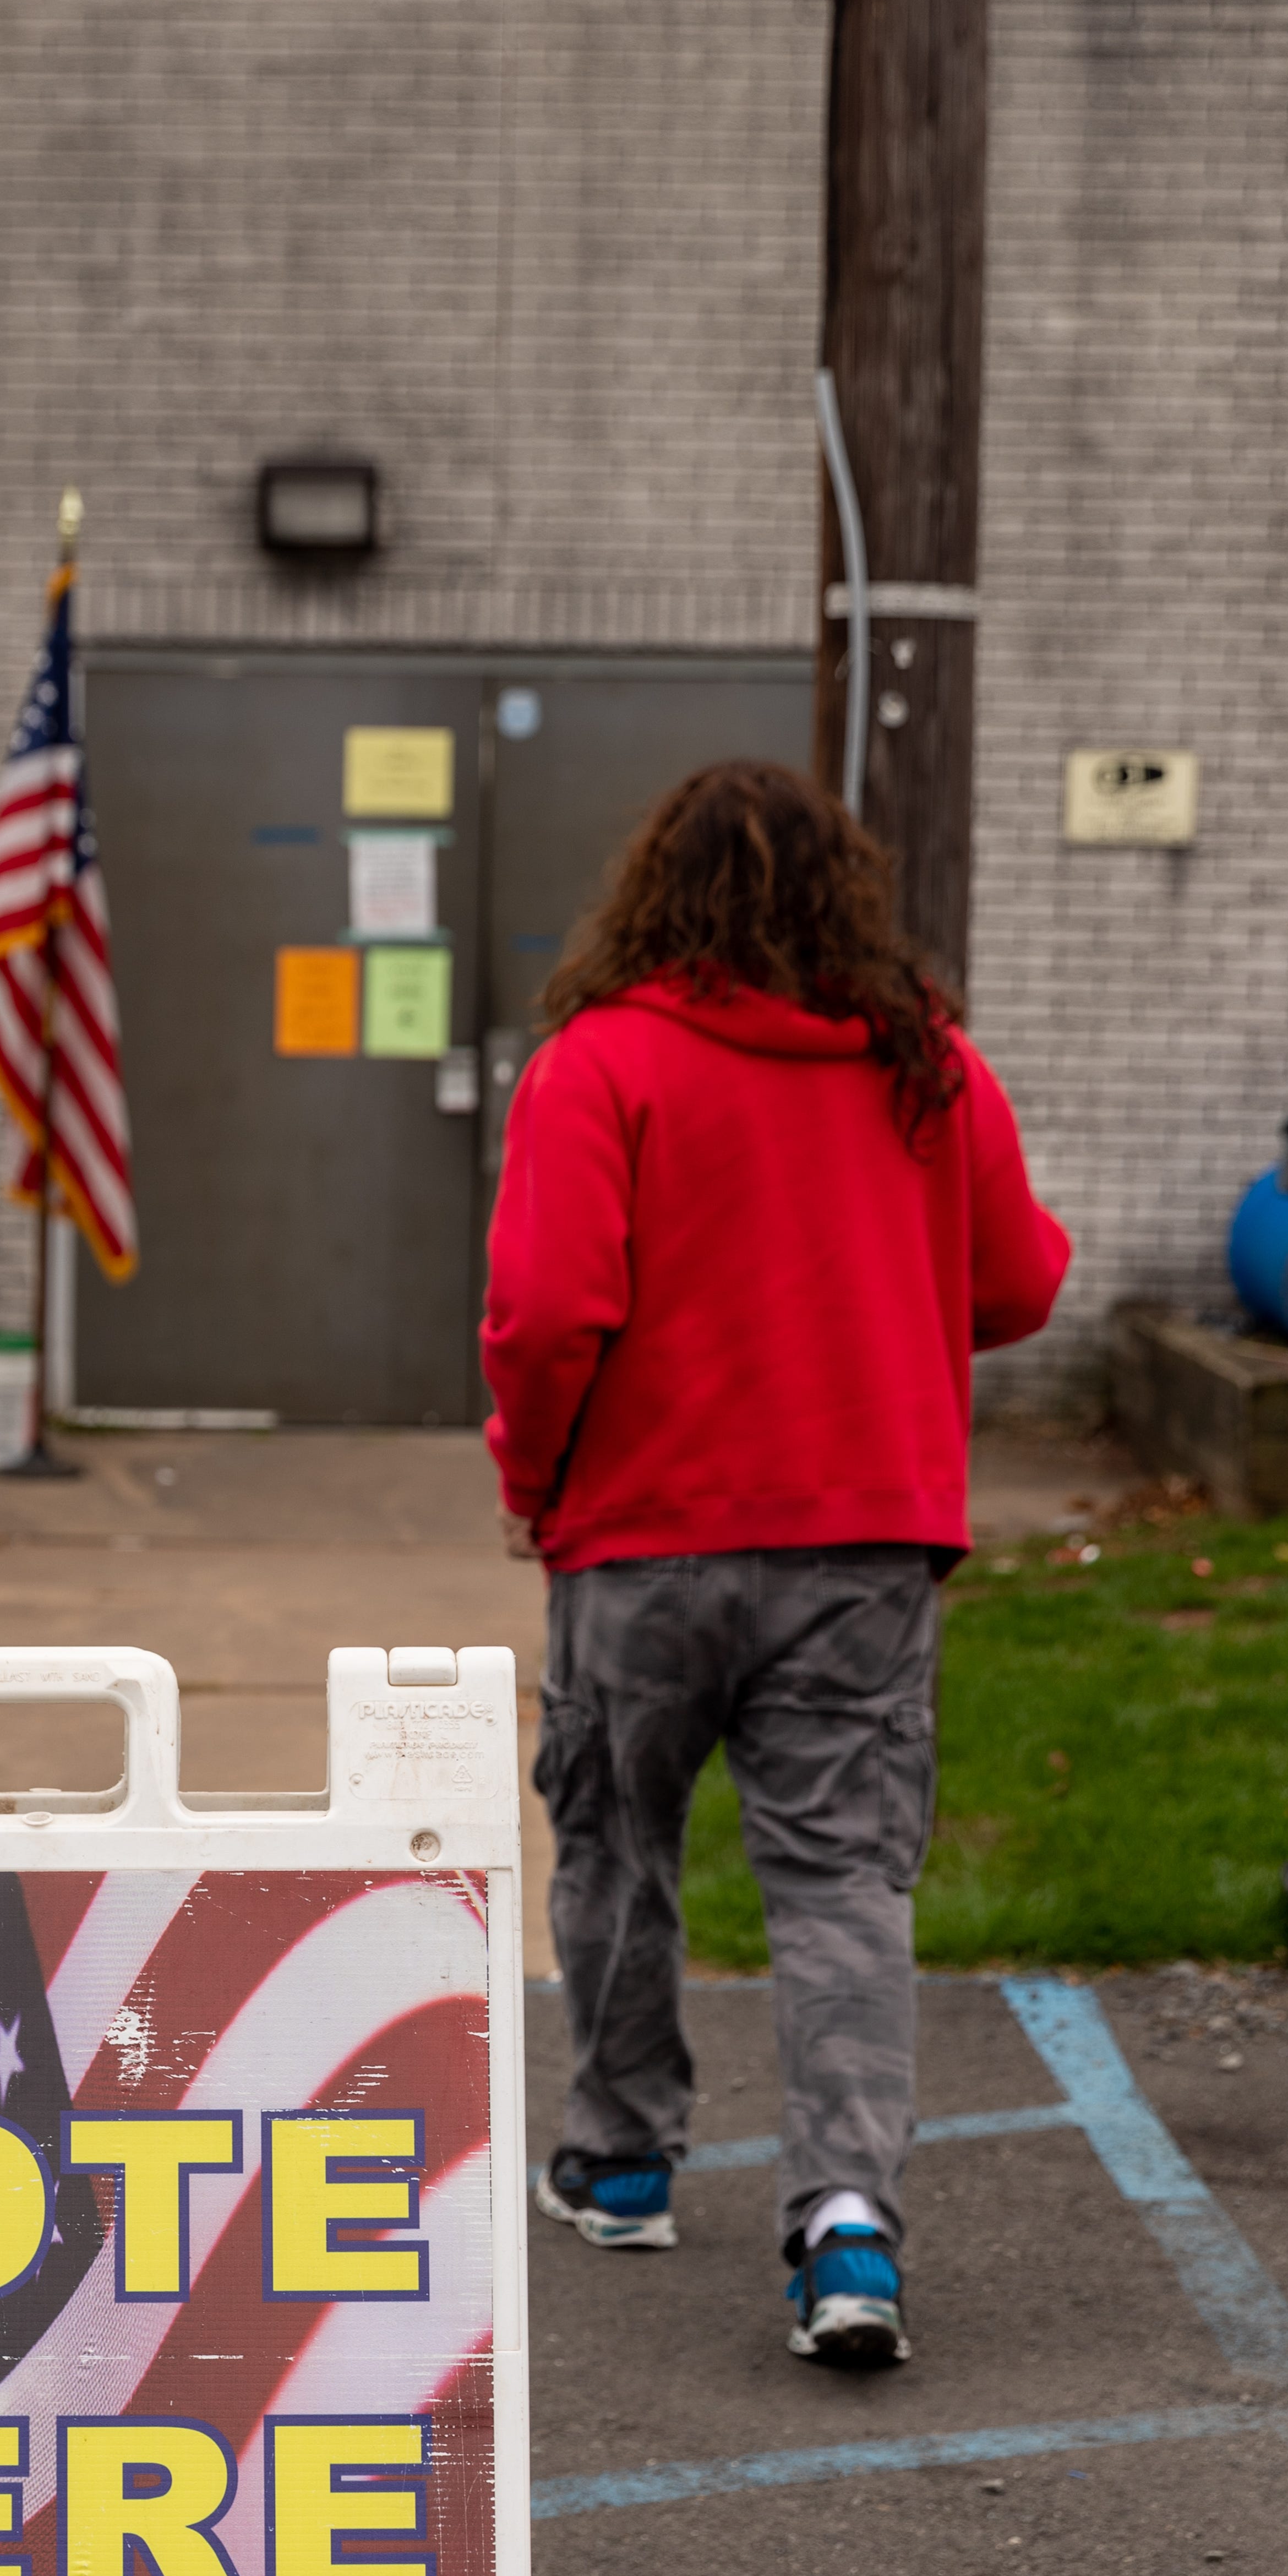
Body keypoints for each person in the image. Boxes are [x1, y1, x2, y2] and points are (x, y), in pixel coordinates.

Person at [481, 760, 1069, 2367]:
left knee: (617, 1847)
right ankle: (844, 2225)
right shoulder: (924, 1067)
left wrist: (536, 1481)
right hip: (862, 1545)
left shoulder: (596, 1065)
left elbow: (544, 1311)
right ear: (844, 895)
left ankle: (616, 2158)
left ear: (648, 895)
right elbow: (1018, 1284)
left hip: (641, 1543)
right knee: (836, 1886)